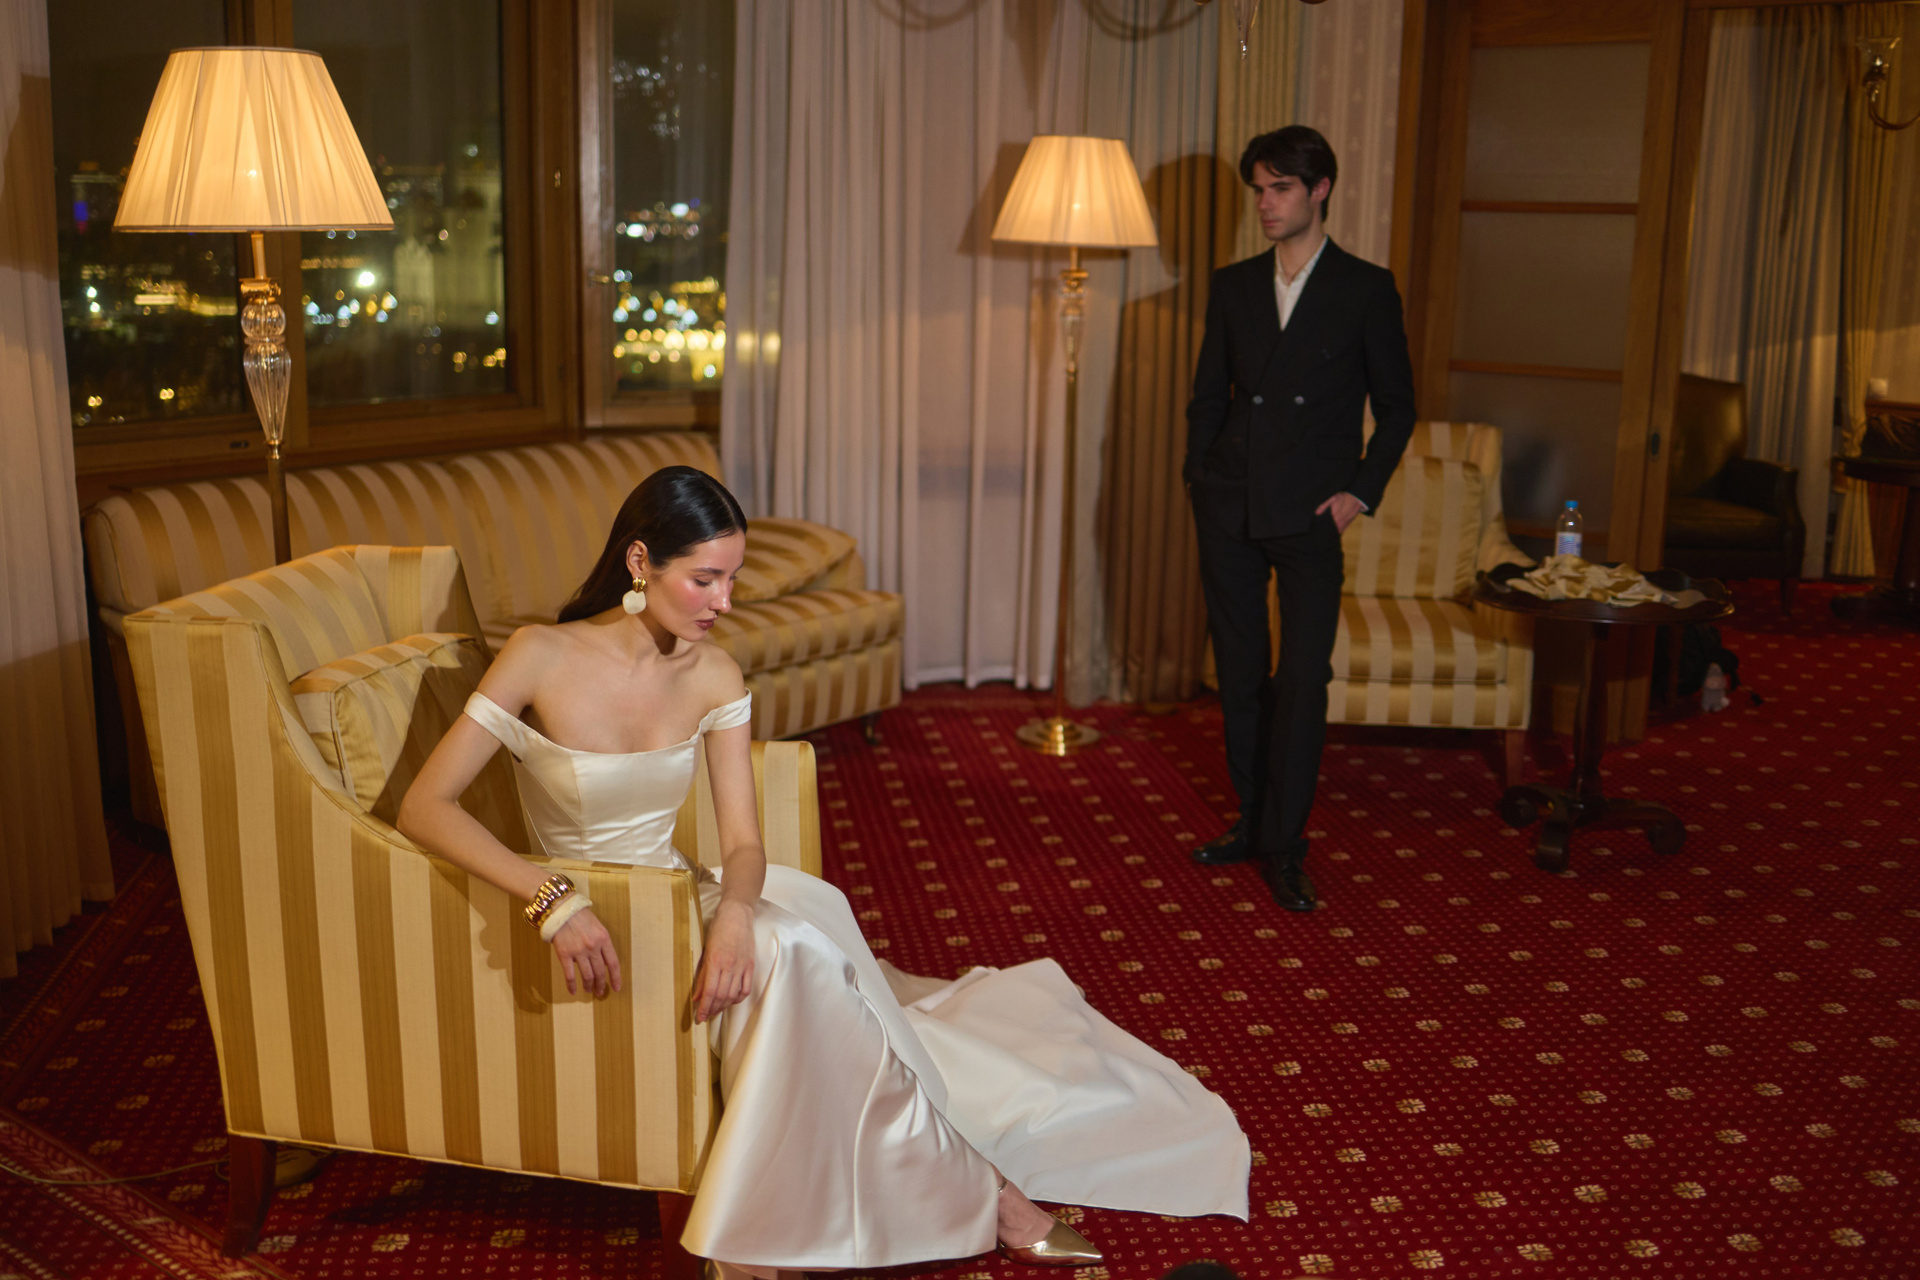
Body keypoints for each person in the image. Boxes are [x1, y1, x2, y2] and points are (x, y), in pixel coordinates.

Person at [398, 466, 1250, 1279]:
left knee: (789, 943)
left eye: (733, 580)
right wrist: (550, 900)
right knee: (801, 956)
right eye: (705, 580)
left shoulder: (715, 671)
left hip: (686, 894)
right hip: (589, 912)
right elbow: (426, 806)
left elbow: (743, 844)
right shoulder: (541, 654)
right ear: (640, 562)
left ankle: (766, 1240)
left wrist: (735, 914)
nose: (725, 603)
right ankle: (979, 1195)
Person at [1184, 125, 1416, 912]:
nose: (1265, 204)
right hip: (1229, 503)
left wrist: (1358, 493)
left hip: (1311, 512)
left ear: (1320, 190)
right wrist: (1200, 477)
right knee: (1240, 673)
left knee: (1303, 680)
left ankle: (1285, 843)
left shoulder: (1365, 288)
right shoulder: (1234, 285)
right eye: (1259, 189)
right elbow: (1207, 395)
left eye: (1280, 188)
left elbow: (1397, 408)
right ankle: (1252, 821)